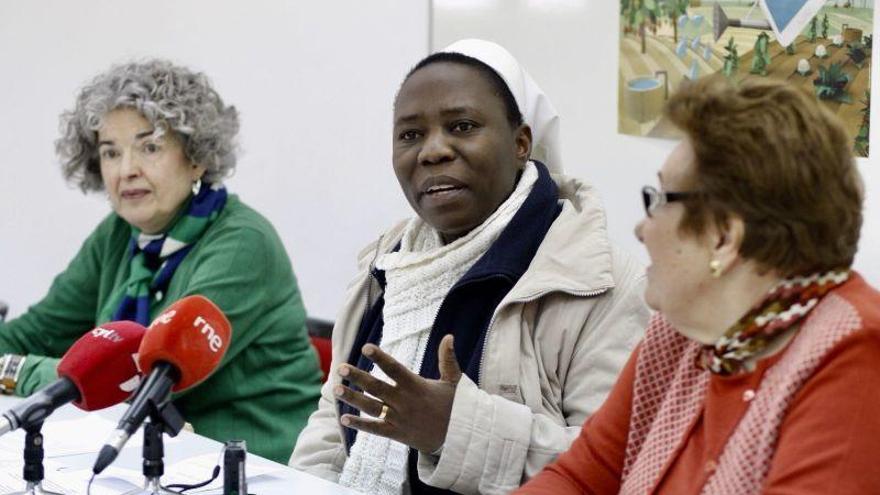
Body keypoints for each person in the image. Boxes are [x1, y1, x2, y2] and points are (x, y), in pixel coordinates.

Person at [290, 39, 649, 494]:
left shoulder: (601, 283)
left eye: (462, 126)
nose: (432, 152)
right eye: (410, 134)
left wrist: (455, 430)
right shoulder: (387, 263)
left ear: (521, 144)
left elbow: (617, 467)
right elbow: (334, 417)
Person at [516, 77, 880, 494]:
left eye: (658, 201)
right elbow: (580, 476)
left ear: (724, 236)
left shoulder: (855, 354)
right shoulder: (683, 332)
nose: (641, 228)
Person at [0, 60, 322, 464]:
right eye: (110, 152)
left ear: (196, 158)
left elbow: (142, 380)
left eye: (149, 147)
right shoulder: (119, 233)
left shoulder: (243, 243)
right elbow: (38, 331)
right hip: (150, 459)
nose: (126, 170)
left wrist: (14, 370)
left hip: (253, 468)